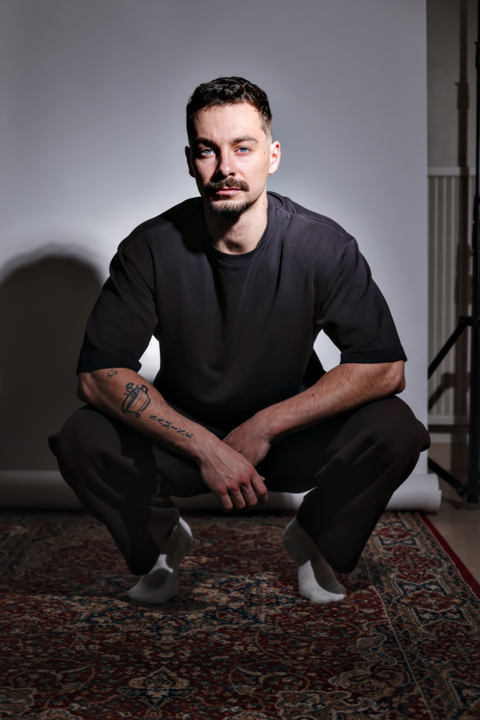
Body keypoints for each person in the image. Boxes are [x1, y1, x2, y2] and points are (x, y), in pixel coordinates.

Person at [49, 76, 430, 606]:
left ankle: (315, 538)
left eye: (243, 148)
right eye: (208, 149)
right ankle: (161, 541)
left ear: (272, 156)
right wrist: (205, 446)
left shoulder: (323, 246)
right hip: (185, 439)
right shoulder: (150, 248)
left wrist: (266, 425)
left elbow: (384, 367)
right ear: (190, 161)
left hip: (290, 437)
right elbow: (97, 376)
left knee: (396, 429)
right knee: (81, 436)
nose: (225, 166)